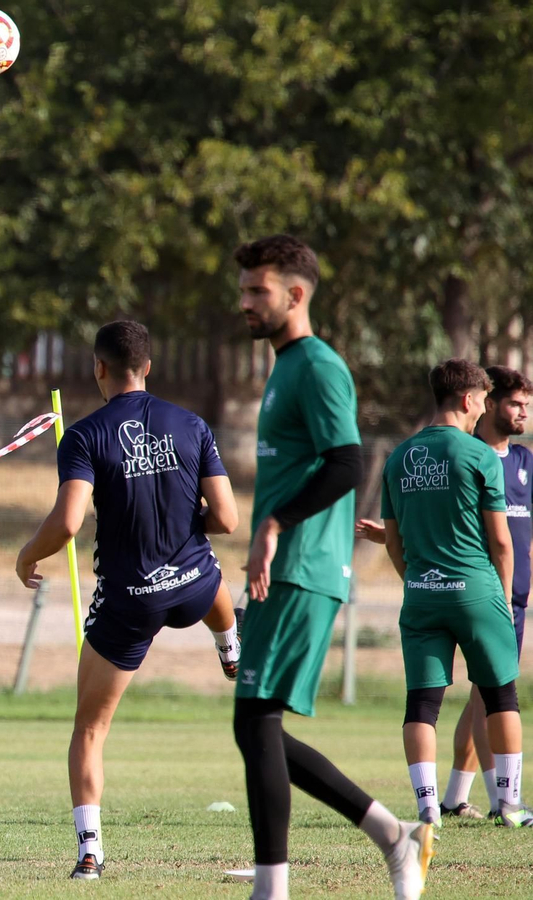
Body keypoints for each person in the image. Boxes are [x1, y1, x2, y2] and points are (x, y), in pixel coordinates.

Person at [232, 234, 428, 900]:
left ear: (296, 294)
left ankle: (274, 888)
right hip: (281, 567)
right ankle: (390, 835)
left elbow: (347, 463)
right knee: (254, 722)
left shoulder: (316, 366)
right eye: (244, 290)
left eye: (257, 290)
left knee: (255, 720)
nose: (245, 302)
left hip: (303, 565)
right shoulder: (283, 366)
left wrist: (275, 524)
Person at [15, 320, 241, 880]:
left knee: (89, 729)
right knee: (212, 582)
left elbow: (68, 523)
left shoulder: (85, 435)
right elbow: (230, 520)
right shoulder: (191, 424)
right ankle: (230, 643)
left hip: (131, 601)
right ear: (149, 366)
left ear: (99, 369)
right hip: (193, 585)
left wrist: (26, 556)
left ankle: (90, 852)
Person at [357, 364, 532, 821]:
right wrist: (504, 591)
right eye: (480, 399)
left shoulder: (399, 458)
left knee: (422, 703)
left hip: (421, 593)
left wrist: (415, 581)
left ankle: (428, 808)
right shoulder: (477, 455)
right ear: (466, 400)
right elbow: (500, 541)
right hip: (478, 592)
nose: (482, 409)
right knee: (500, 697)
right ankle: (510, 803)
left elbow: (394, 543)